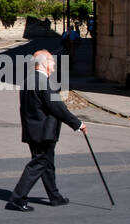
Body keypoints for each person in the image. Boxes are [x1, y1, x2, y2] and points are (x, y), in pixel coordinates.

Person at [6, 50, 86, 212]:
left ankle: (55, 197)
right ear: (44, 63)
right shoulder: (45, 83)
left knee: (46, 164)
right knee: (39, 164)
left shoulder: (28, 81)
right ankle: (17, 198)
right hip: (44, 132)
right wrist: (77, 124)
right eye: (52, 61)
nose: (54, 64)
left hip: (33, 131)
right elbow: (58, 107)